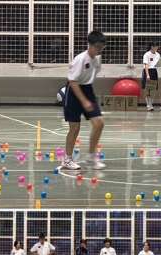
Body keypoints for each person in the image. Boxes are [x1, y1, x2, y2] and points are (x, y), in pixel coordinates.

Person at [62, 31, 106, 171]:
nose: (99, 50)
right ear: (90, 45)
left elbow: (90, 77)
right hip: (73, 91)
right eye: (97, 47)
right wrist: (84, 101)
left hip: (87, 89)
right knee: (74, 127)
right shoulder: (80, 59)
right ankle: (67, 160)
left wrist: (88, 98)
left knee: (99, 123)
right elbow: (72, 81)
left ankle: (91, 157)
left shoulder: (97, 59)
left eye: (102, 47)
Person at [142, 42, 161, 112]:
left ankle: (151, 104)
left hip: (154, 71)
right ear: (152, 47)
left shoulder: (158, 54)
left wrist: (160, 63)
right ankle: (148, 105)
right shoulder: (146, 54)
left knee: (153, 89)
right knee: (147, 89)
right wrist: (147, 75)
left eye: (157, 47)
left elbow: (157, 65)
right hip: (147, 71)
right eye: (156, 46)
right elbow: (146, 65)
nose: (157, 48)